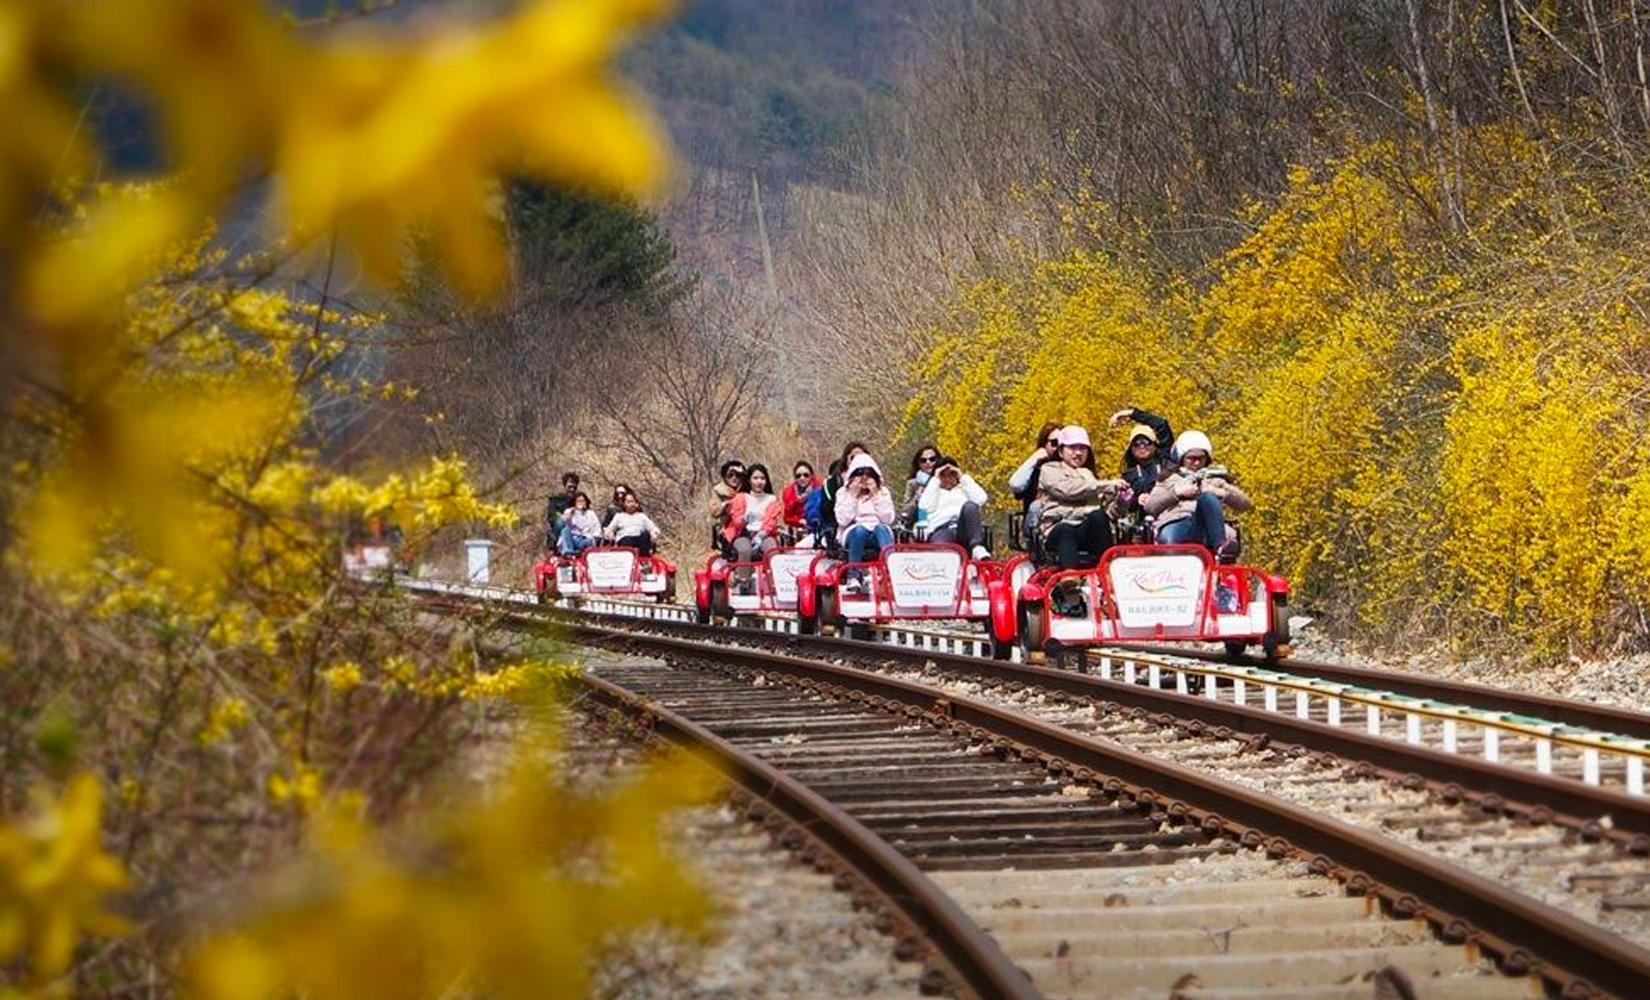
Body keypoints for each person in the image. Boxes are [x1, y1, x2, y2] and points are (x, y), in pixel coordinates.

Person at [1142, 430, 1251, 558]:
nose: (1197, 463)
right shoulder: (1170, 479)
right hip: (1177, 522)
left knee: (1207, 497)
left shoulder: (1215, 480)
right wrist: (1177, 493)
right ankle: (1171, 560)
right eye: (1192, 458)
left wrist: (1219, 492)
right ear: (1182, 458)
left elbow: (1245, 504)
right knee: (1169, 541)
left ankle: (1220, 549)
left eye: (1201, 458)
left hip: (1207, 527)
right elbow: (1150, 507)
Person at [1037, 426, 1125, 569]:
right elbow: (1068, 490)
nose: (1078, 453)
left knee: (1099, 516)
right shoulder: (1050, 470)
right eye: (1072, 448)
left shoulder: (1088, 474)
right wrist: (1106, 485)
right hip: (1059, 528)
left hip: (1085, 530)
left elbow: (1109, 513)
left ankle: (1107, 569)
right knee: (1065, 530)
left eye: (1082, 448)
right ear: (1061, 451)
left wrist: (1122, 500)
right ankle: (1070, 578)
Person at [834, 453, 895, 592]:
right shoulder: (843, 493)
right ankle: (853, 576)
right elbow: (843, 520)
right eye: (859, 473)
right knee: (860, 530)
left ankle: (891, 572)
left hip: (878, 530)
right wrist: (853, 495)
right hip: (854, 530)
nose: (864, 477)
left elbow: (888, 519)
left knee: (881, 528)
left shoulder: (883, 492)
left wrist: (875, 495)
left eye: (869, 473)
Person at [724, 463, 782, 591]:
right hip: (743, 533)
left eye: (762, 478)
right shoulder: (741, 497)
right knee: (745, 549)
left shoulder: (772, 499)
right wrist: (744, 519)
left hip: (763, 534)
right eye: (755, 478)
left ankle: (776, 582)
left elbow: (771, 522)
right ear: (749, 480)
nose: (759, 482)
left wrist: (761, 535)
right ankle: (743, 582)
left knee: (772, 548)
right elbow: (736, 521)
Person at [919, 457, 990, 559]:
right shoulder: (933, 491)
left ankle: (977, 547)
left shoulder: (964, 489)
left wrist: (962, 477)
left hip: (963, 529)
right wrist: (935, 479)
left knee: (970, 506)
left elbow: (981, 499)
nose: (947, 479)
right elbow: (924, 507)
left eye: (951, 475)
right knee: (941, 549)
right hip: (942, 529)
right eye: (943, 476)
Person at [1108, 406, 1175, 514]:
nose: (1141, 447)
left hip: (1169, 514)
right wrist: (1137, 500)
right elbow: (1124, 503)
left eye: (1146, 442)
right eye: (1136, 443)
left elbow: (1161, 425)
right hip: (1144, 520)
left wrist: (1130, 413)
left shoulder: (1165, 461)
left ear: (1155, 445)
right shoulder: (1130, 474)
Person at [1009, 422, 1063, 548]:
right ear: (1044, 445)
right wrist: (1034, 459)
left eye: (1063, 443)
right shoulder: (1035, 469)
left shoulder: (1075, 469)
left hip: (1065, 521)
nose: (1058, 447)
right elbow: (1015, 484)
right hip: (1038, 524)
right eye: (1054, 443)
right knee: (1036, 506)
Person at [604, 492, 663, 556]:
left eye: (633, 501)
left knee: (645, 535)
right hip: (625, 540)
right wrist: (610, 535)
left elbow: (653, 528)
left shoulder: (642, 516)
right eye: (629, 502)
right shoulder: (619, 516)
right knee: (627, 539)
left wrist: (654, 534)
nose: (632, 504)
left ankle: (644, 560)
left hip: (639, 540)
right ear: (624, 504)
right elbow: (610, 529)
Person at [900, 444, 940, 528]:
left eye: (932, 459)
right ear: (918, 463)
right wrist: (917, 496)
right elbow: (906, 510)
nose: (928, 462)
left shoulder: (944, 480)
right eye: (923, 460)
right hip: (919, 521)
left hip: (939, 518)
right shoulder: (913, 483)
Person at [708, 460, 746, 547]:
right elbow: (714, 511)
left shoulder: (746, 489)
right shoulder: (718, 491)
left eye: (738, 475)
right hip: (725, 528)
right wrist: (726, 505)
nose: (734, 478)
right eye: (730, 475)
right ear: (724, 477)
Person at [781, 460, 822, 542]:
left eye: (806, 475)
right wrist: (799, 521)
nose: (802, 478)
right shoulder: (789, 493)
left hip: (816, 524)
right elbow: (787, 517)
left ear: (811, 476)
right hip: (797, 526)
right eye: (798, 476)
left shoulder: (819, 489)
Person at [556, 491, 602, 556]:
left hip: (585, 539)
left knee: (587, 541)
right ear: (575, 502)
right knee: (565, 530)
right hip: (572, 539)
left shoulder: (591, 513)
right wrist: (571, 512)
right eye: (578, 501)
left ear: (586, 502)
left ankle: (576, 551)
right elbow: (564, 520)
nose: (581, 503)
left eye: (582, 501)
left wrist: (594, 539)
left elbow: (597, 528)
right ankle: (569, 551)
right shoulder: (570, 512)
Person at [544, 471, 580, 547]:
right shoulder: (556, 500)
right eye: (569, 487)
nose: (572, 489)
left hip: (577, 528)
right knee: (561, 522)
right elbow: (552, 516)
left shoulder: (579, 500)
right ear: (564, 486)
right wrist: (564, 516)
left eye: (574, 487)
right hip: (560, 528)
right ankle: (554, 546)